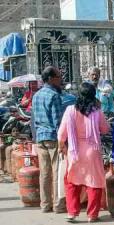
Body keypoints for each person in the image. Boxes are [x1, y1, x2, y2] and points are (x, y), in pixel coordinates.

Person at [57, 82, 111, 223]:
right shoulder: (96, 111)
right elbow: (105, 129)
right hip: (92, 150)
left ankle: (72, 213)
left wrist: (61, 147)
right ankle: (92, 215)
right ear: (93, 95)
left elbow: (61, 134)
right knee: (94, 182)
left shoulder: (70, 110)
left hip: (74, 151)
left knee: (72, 182)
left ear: (78, 95)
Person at [31, 66, 66, 213]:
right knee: (57, 171)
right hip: (52, 137)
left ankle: (45, 204)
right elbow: (58, 121)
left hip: (40, 137)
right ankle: (58, 205)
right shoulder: (54, 95)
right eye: (58, 77)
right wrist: (62, 141)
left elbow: (33, 120)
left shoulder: (36, 95)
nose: (60, 79)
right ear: (51, 79)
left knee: (44, 173)